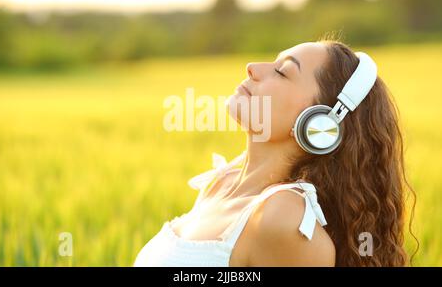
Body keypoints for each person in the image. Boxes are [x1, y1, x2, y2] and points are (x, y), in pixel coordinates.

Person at [134, 37, 416, 267]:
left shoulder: (285, 220)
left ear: (320, 124)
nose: (252, 67)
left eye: (282, 71)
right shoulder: (222, 181)